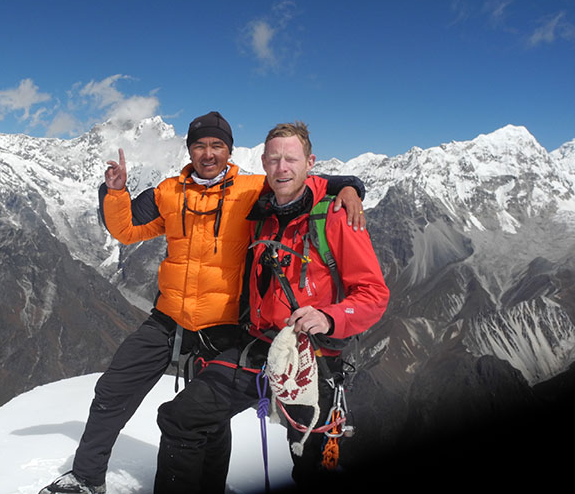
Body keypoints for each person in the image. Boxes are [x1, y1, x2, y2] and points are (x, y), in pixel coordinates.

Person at [39, 112, 367, 494]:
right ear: (190, 149)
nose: (208, 153)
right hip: (168, 318)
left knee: (207, 417)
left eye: (216, 145)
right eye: (199, 145)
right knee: (114, 389)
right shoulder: (168, 192)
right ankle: (86, 477)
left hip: (224, 325)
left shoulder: (253, 189)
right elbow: (126, 229)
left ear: (228, 150)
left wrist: (349, 187)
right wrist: (115, 193)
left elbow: (301, 182)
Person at [153, 121, 390, 493]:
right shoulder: (259, 210)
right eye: (274, 159)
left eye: (291, 159)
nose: (282, 167)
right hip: (257, 347)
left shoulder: (337, 217)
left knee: (311, 463)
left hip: (311, 359)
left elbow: (373, 294)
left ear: (310, 162)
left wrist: (328, 317)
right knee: (183, 417)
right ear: (263, 162)